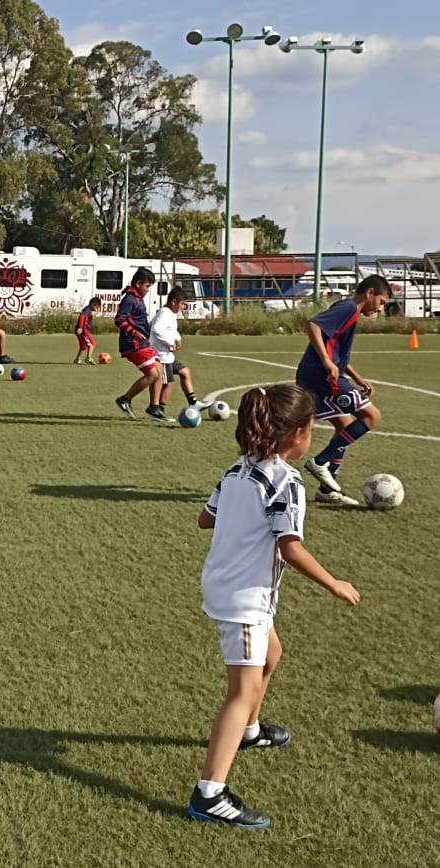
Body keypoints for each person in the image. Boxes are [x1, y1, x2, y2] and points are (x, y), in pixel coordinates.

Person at [188, 384, 360, 828]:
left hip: (229, 584)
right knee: (240, 692)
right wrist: (334, 583)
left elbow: (206, 517)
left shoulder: (239, 469)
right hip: (244, 596)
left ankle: (250, 730)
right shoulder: (286, 480)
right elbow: (290, 546)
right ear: (299, 435)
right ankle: (210, 794)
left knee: (273, 653)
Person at [296, 275, 392, 506]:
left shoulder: (351, 313)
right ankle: (321, 461)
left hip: (317, 374)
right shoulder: (348, 307)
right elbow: (313, 325)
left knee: (344, 426)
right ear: (369, 293)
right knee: (371, 416)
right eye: (381, 302)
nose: (380, 308)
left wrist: (357, 376)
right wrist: (327, 363)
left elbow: (335, 349)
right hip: (322, 376)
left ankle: (327, 491)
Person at [113, 267, 166, 421]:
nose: (148, 290)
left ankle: (154, 408)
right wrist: (135, 333)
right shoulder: (130, 299)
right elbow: (119, 320)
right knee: (152, 374)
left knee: (159, 369)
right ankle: (125, 399)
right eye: (147, 286)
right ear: (138, 284)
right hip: (133, 344)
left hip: (141, 343)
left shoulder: (136, 298)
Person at [149, 287, 212, 412]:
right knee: (169, 383)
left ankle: (193, 403)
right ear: (173, 302)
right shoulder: (164, 313)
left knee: (185, 372)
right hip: (161, 356)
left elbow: (172, 329)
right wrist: (170, 342)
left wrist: (177, 338)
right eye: (182, 304)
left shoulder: (170, 313)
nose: (184, 307)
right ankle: (159, 409)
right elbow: (156, 329)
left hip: (168, 356)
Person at [73, 297, 101, 365]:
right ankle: (88, 358)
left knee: (83, 346)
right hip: (84, 331)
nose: (97, 309)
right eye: (97, 307)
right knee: (92, 343)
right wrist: (80, 328)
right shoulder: (87, 310)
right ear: (93, 305)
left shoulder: (87, 309)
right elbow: (82, 317)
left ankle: (77, 359)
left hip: (81, 331)